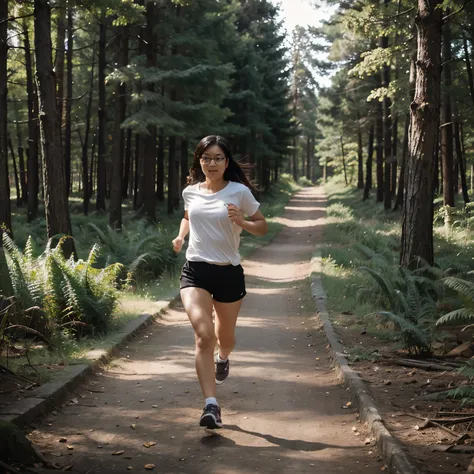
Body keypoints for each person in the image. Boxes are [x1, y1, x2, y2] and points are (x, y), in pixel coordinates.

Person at [172, 135, 268, 429]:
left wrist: (243, 222)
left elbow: (263, 227)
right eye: (206, 158)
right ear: (198, 161)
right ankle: (211, 406)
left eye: (217, 158)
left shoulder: (239, 192)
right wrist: (181, 236)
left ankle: (223, 357)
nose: (211, 164)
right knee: (204, 336)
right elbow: (189, 215)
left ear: (227, 162)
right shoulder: (191, 191)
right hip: (195, 270)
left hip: (228, 272)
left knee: (225, 337)